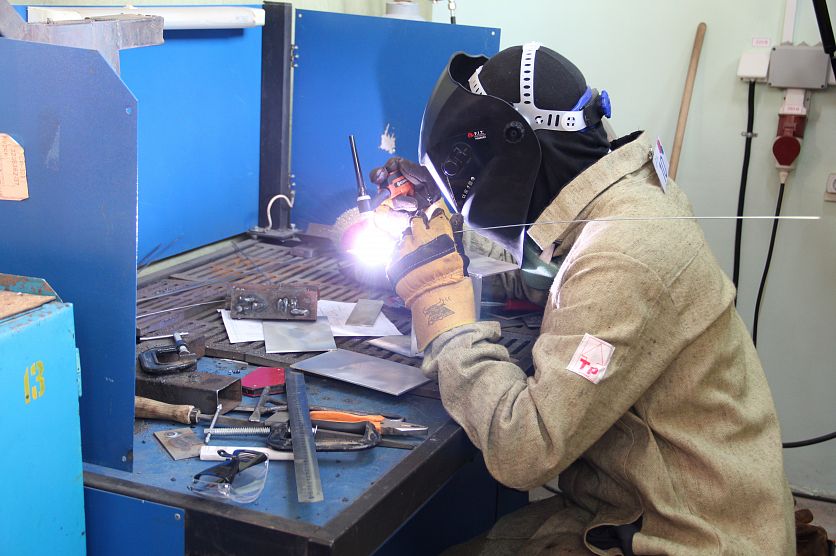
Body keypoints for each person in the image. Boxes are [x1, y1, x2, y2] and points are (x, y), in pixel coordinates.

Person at [371, 43, 795, 555]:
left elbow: (523, 449)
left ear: (514, 148)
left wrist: (439, 301)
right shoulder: (628, 197)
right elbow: (566, 277)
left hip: (687, 536)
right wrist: (445, 221)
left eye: (463, 176)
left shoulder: (622, 253)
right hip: (652, 503)